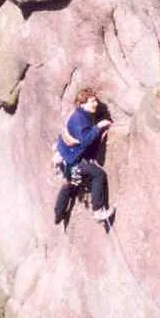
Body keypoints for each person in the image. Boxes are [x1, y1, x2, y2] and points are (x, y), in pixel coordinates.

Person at [53, 87, 115, 224]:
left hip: (69, 160)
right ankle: (98, 210)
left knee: (72, 184)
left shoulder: (82, 115)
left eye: (95, 101)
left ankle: (58, 214)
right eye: (92, 101)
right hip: (73, 161)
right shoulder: (80, 119)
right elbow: (85, 140)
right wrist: (99, 126)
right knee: (98, 174)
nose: (96, 104)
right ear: (82, 104)